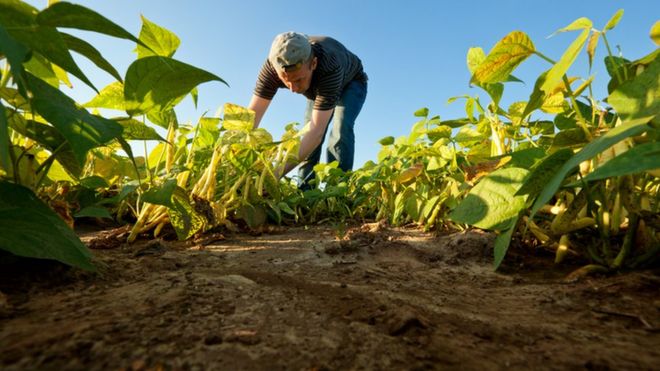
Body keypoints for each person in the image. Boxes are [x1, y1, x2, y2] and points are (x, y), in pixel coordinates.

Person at [248, 31, 368, 188]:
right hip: (317, 87)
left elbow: (316, 132)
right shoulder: (271, 68)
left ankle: (337, 191)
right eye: (286, 81)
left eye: (298, 79)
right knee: (306, 135)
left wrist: (273, 175)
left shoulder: (330, 66)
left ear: (313, 63)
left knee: (341, 127)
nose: (293, 88)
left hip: (351, 82)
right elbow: (251, 117)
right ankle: (305, 192)